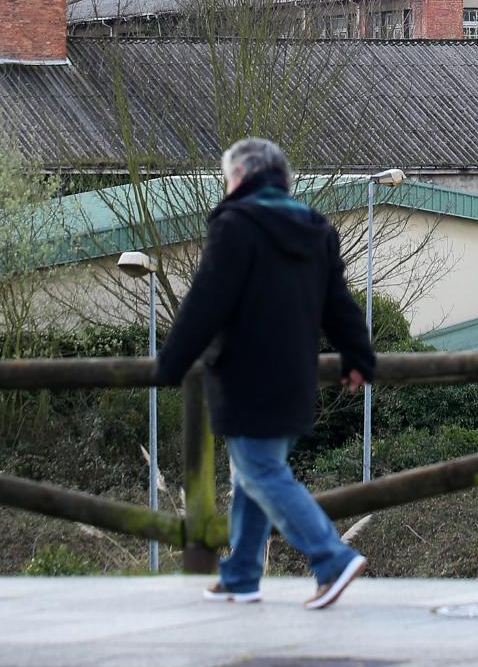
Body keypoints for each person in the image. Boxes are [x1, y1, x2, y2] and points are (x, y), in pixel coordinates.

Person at [156, 137, 376, 609]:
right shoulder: (315, 228)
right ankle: (240, 574)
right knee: (252, 473)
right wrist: (358, 356)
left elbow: (204, 303)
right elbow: (338, 304)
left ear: (238, 177)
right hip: (294, 375)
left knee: (260, 471)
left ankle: (331, 558)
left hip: (243, 375)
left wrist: (170, 363)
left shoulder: (237, 226)